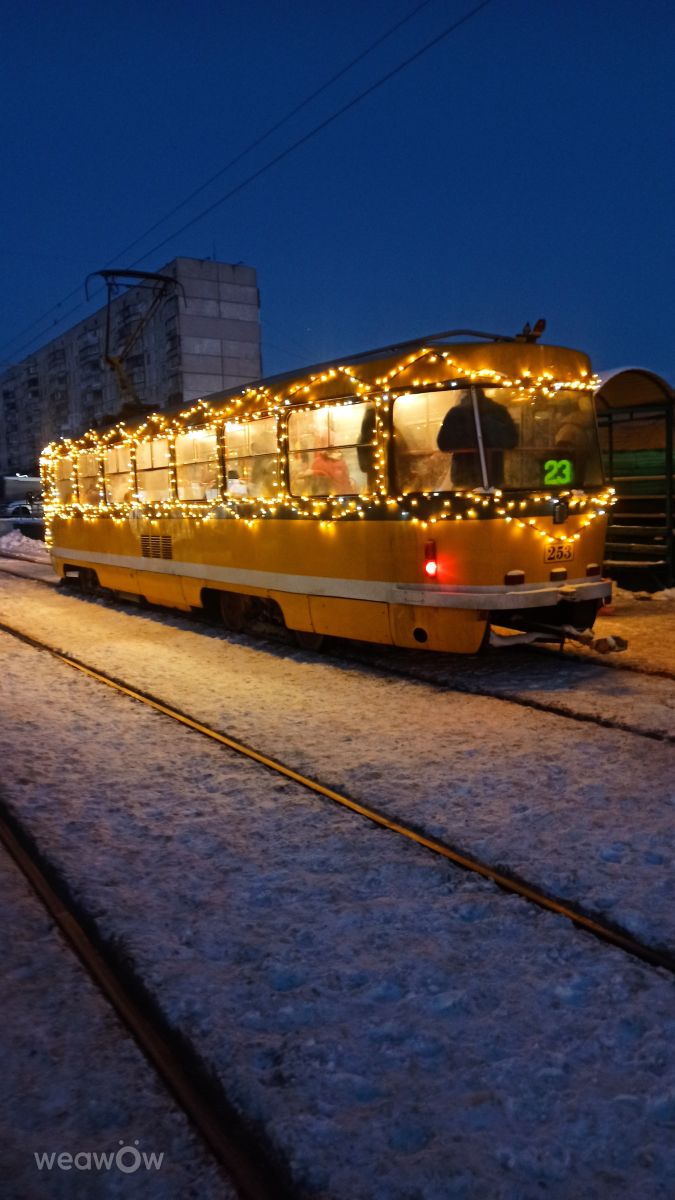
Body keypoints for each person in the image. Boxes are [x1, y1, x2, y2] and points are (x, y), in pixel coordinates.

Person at [437, 387, 518, 487]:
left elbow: (443, 444)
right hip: (493, 475)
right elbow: (512, 441)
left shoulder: (456, 413)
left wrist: (463, 442)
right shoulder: (499, 411)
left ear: (464, 394)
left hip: (464, 477)